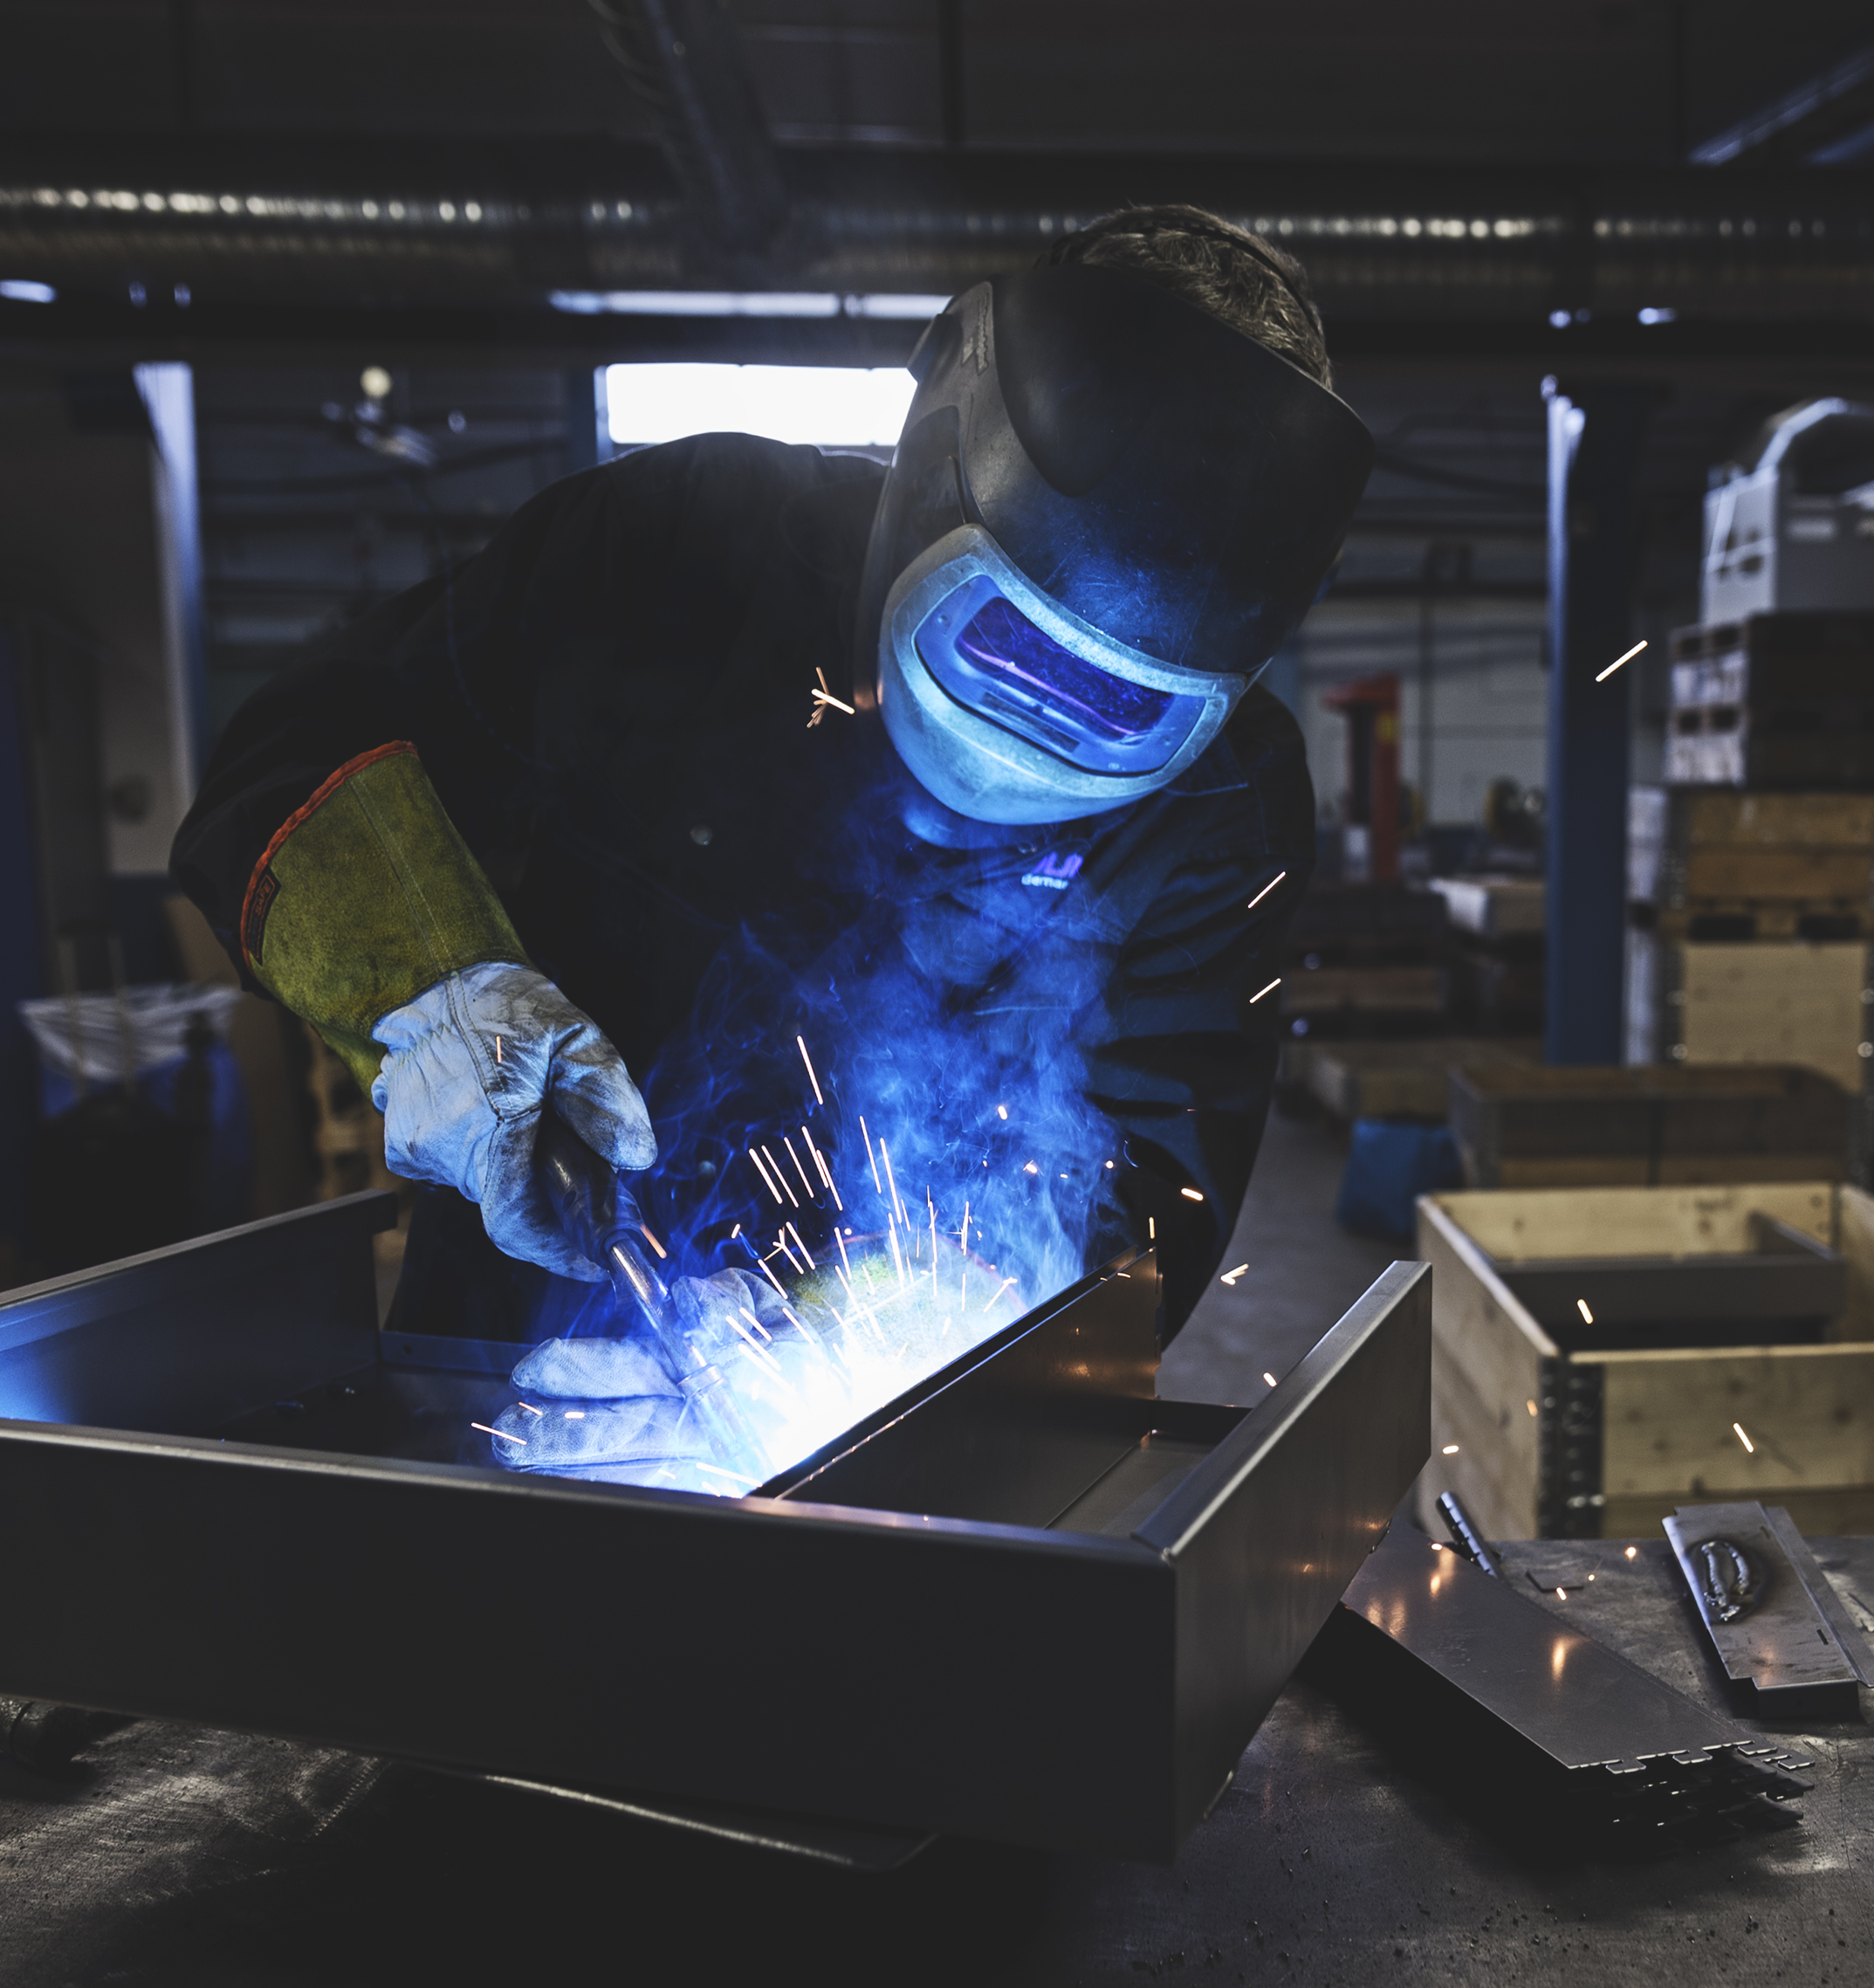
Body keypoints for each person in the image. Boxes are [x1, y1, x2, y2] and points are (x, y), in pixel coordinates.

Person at [171, 206, 1375, 1366]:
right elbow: (298, 747)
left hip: (896, 1420)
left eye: (1121, 705)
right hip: (524, 1325)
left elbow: (1147, 1204)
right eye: (1002, 641)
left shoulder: (1228, 796)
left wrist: (931, 1330)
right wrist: (438, 997)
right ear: (941, 468)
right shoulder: (684, 547)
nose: (1025, 737)